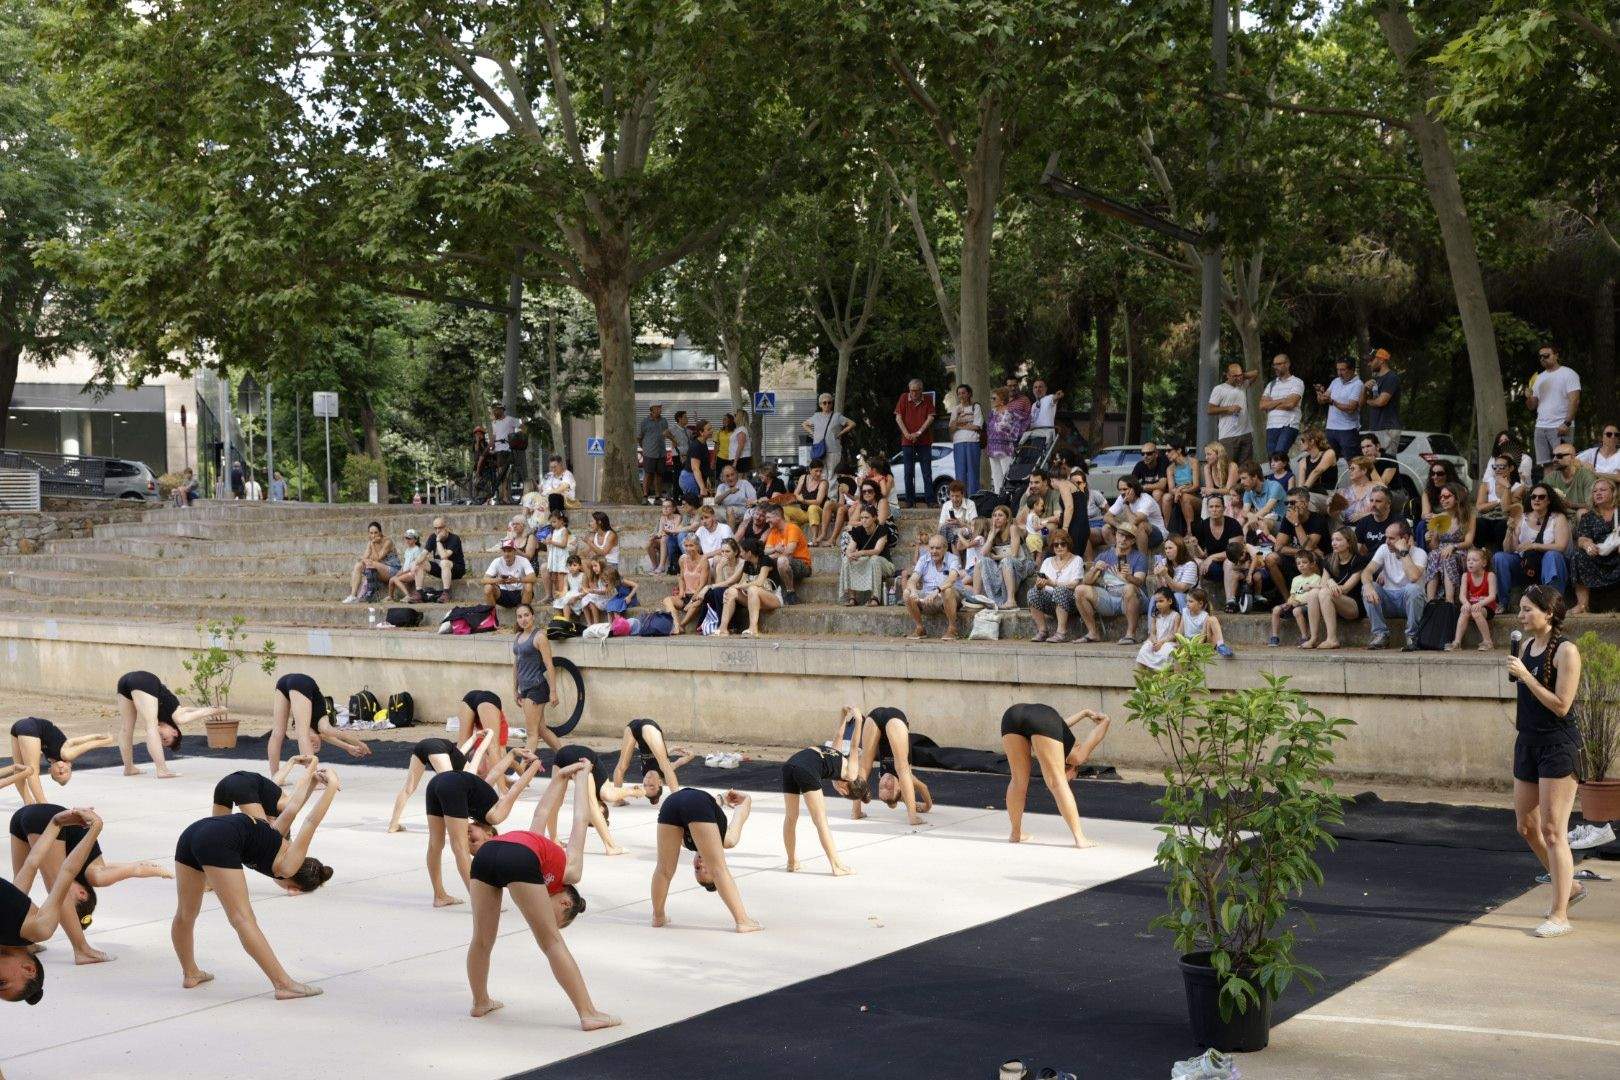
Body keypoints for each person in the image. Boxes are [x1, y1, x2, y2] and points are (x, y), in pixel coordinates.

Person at [464, 761, 619, 1029]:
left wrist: (559, 778)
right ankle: (588, 1013)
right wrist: (581, 779)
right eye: (559, 918)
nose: (551, 918)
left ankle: (480, 1002)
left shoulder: (539, 855)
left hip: (487, 854)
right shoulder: (571, 872)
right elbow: (580, 819)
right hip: (515, 855)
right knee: (551, 941)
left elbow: (542, 812)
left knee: (481, 939)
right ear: (566, 902)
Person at [171, 764, 339, 998]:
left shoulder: (274, 836)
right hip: (217, 838)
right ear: (294, 887)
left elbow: (293, 808)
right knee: (242, 918)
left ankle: (191, 973)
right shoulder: (288, 865)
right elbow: (310, 821)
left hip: (194, 832)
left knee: (185, 914)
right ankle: (283, 984)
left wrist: (312, 781)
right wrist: (331, 786)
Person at [1505, 586, 1583, 938]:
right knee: (1526, 826)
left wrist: (1526, 675)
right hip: (1529, 743)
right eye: (1520, 609)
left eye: (1527, 610)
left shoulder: (1566, 651)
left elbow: (1562, 705)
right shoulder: (1525, 647)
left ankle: (1559, 914)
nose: (1521, 616)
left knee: (1553, 830)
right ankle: (1571, 886)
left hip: (1557, 746)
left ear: (1548, 613)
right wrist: (1522, 672)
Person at [9, 802, 169, 965]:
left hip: (24, 817)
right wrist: (163, 872)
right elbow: (135, 869)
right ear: (83, 894)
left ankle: (17, 942)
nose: (54, 907)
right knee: (57, 887)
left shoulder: (88, 868)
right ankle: (82, 950)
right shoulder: (96, 876)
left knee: (21, 882)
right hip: (46, 818)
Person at [0, 807, 103, 1005]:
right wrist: (92, 829)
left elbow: (31, 864)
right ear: (29, 969)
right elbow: (64, 872)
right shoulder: (40, 928)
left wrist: (56, 823)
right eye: (1, 982)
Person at [423, 751, 544, 907]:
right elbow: (516, 788)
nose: (468, 836)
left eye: (469, 841)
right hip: (450, 783)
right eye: (474, 840)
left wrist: (512, 754)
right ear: (489, 835)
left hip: (437, 783)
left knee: (436, 843)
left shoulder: (477, 806)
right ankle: (480, 902)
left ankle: (439, 896)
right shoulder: (496, 816)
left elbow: (492, 776)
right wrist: (535, 764)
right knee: (459, 846)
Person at [999, 703, 1110, 848]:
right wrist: (1106, 722)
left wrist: (1083, 713)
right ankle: (1080, 838)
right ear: (1073, 769)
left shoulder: (1056, 737)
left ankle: (1016, 833)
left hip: (1013, 715)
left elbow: (1054, 725)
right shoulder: (1076, 757)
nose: (1070, 780)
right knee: (1058, 783)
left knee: (1017, 780)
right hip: (1043, 718)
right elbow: (1094, 737)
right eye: (1072, 778)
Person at [651, 788, 759, 933]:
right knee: (719, 870)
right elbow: (739, 815)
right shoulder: (727, 840)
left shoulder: (685, 843)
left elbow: (693, 807)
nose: (701, 865)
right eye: (707, 871)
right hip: (690, 801)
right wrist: (746, 800)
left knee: (664, 869)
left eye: (697, 869)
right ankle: (743, 920)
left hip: (671, 803)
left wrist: (721, 799)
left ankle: (658, 916)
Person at [780, 710, 870, 875]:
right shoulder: (851, 774)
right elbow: (854, 745)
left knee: (791, 817)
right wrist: (858, 720)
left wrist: (844, 716)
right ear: (844, 789)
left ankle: (792, 862)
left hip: (790, 764)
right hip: (806, 769)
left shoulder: (836, 755)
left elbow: (839, 736)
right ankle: (836, 866)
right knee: (821, 820)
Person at [113, 670, 223, 780]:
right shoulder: (175, 716)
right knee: (151, 725)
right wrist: (214, 710)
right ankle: (162, 770)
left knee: (126, 728)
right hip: (144, 680)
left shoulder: (167, 716)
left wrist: (201, 709)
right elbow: (184, 717)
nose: (161, 739)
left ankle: (129, 768)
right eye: (166, 739)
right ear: (175, 732)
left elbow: (187, 709)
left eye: (161, 741)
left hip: (125, 681)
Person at [385, 731, 496, 833]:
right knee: (450, 791)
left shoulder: (458, 764)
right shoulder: (471, 773)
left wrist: (475, 736)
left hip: (423, 746)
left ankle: (393, 824)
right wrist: (490, 735)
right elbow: (479, 752)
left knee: (408, 789)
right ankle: (457, 825)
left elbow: (461, 751)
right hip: (437, 748)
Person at [850, 707, 934, 826]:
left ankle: (855, 811)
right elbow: (923, 788)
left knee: (864, 766)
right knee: (903, 769)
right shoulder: (908, 780)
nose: (885, 783)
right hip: (894, 720)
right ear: (900, 788)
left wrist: (857, 810)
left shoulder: (882, 774)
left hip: (875, 717)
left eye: (881, 788)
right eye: (889, 788)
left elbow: (862, 772)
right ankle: (912, 817)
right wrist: (927, 806)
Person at [268, 673, 372, 768]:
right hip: (302, 682)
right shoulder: (321, 725)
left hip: (284, 682)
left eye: (310, 745)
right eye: (315, 745)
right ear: (320, 738)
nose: (312, 743)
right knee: (302, 735)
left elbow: (315, 737)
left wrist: (349, 746)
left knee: (278, 733)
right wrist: (355, 744)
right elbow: (332, 733)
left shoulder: (299, 725)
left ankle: (275, 776)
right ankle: (313, 777)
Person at [1494, 483, 1571, 606]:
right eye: (1533, 496)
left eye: (1541, 497)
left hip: (1548, 565)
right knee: (1499, 557)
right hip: (1526, 564)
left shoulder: (1558, 517)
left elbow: (1561, 546)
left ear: (1549, 500)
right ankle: (1503, 603)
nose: (1536, 499)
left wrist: (1534, 545)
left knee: (1553, 555)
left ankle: (1553, 604)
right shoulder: (1522, 517)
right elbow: (1509, 549)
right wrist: (1509, 530)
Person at [6, 718, 113, 804]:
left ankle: (27, 800)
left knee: (19, 769)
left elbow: (73, 741)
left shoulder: (52, 757)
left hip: (18, 727)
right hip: (30, 727)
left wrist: (96, 736)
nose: (61, 770)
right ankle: (43, 804)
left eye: (59, 774)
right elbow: (87, 746)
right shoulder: (68, 755)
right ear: (70, 765)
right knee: (32, 771)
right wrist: (105, 740)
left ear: (50, 770)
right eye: (65, 772)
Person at [1360, 520, 1428, 652]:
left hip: (1410, 602)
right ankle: (1381, 635)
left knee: (1413, 589)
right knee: (1368, 586)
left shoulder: (1420, 553)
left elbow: (1413, 577)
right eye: (1386, 537)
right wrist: (1368, 586)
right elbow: (1367, 572)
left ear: (1405, 538)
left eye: (1391, 538)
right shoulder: (1383, 549)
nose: (1387, 541)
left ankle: (1412, 637)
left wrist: (1403, 552)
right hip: (1389, 600)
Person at [506, 603, 565, 753]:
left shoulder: (539, 637)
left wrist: (553, 692)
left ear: (532, 616)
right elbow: (516, 665)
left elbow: (549, 665)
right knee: (541, 729)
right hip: (525, 688)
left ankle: (524, 765)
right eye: (520, 616)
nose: (523, 619)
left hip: (537, 687)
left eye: (526, 615)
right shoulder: (518, 637)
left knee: (532, 733)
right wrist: (515, 689)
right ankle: (564, 757)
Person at [1076, 530, 1148, 645]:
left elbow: (1139, 582)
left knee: (1129, 588)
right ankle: (1093, 633)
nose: (1123, 539)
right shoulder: (1104, 556)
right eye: (1121, 535)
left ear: (1133, 541)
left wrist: (1128, 577)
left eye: (1128, 537)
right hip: (1109, 597)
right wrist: (1095, 569)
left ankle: (1130, 635)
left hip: (1133, 599)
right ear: (1116, 536)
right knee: (1080, 590)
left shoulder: (1139, 557)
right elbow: (1086, 581)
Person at [1301, 527, 1367, 651]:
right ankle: (1313, 638)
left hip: (1353, 606)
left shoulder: (1359, 560)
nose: (1334, 543)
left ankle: (1332, 639)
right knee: (1313, 593)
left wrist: (1329, 583)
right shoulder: (1329, 560)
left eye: (1338, 540)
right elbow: (1323, 585)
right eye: (1332, 540)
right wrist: (1329, 581)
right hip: (1334, 604)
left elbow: (1346, 589)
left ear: (1349, 543)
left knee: (1325, 593)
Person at [1262, 491, 1332, 599]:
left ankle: (1314, 598)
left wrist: (1296, 523)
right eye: (1287, 503)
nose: (1289, 506)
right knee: (1270, 558)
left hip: (1321, 561)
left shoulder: (1318, 519)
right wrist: (1300, 551)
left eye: (1292, 502)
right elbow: (1278, 547)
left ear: (1305, 503)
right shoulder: (1288, 519)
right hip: (1298, 556)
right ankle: (1288, 599)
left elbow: (1308, 547)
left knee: (1310, 556)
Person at [610, 718, 694, 803]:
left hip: (633, 729)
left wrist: (672, 749)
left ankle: (618, 800)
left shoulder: (644, 771)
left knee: (622, 766)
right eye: (651, 785)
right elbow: (679, 762)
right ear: (660, 783)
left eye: (645, 785)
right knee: (665, 766)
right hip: (649, 728)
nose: (647, 781)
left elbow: (657, 754)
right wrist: (691, 756)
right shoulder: (664, 772)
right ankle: (678, 801)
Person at [1570, 475, 1620, 614]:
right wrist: (1588, 545)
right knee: (1578, 555)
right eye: (1595, 491)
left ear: (1613, 492)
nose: (1598, 493)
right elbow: (1582, 539)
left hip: (1617, 554)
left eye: (1602, 490)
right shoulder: (1588, 517)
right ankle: (1582, 605)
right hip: (1598, 554)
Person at [1526, 344, 1581, 467]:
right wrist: (1528, 397)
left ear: (1556, 356)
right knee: (1546, 466)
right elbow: (1532, 406)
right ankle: (1548, 482)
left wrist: (1567, 423)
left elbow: (1575, 400)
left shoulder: (1568, 373)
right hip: (1540, 426)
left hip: (1560, 426)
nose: (1543, 359)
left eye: (1546, 355)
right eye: (1540, 357)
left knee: (1563, 465)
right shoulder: (1538, 378)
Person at [715, 538, 784, 636]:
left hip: (773, 599)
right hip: (753, 599)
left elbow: (759, 582)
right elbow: (742, 582)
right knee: (731, 592)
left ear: (749, 553)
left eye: (742, 551)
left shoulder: (765, 560)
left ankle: (753, 628)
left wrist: (740, 585)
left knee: (753, 589)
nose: (740, 554)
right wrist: (733, 588)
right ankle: (723, 629)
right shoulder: (747, 563)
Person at [1421, 482, 1475, 602]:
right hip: (1441, 551)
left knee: (1447, 557)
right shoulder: (1438, 517)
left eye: (1446, 496)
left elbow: (1468, 541)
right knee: (1433, 554)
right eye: (1441, 497)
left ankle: (1450, 601)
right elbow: (1434, 546)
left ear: (1457, 498)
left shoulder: (1468, 516)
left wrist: (1453, 547)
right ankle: (1430, 601)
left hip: (1461, 550)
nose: (1442, 500)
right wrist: (1430, 536)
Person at [1027, 528, 1084, 643]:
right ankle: (1042, 631)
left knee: (1060, 591)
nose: (1059, 547)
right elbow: (1040, 582)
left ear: (1068, 544)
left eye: (1063, 544)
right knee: (1032, 592)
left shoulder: (1077, 560)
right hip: (1051, 602)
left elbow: (1074, 584)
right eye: (1056, 545)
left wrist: (1053, 583)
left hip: (1071, 602)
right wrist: (1039, 585)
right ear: (1052, 547)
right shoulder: (1047, 561)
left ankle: (1061, 633)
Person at [972, 504, 1031, 610]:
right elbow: (984, 553)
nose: (996, 518)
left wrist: (996, 557)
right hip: (1003, 564)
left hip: (1021, 563)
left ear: (1007, 519)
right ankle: (976, 598)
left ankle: (1011, 600)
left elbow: (1014, 554)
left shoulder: (1013, 528)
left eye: (1000, 515)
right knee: (981, 562)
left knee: (1006, 561)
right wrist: (992, 535)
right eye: (994, 515)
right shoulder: (993, 532)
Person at [905, 533, 962, 640]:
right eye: (931, 548)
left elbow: (952, 579)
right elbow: (912, 580)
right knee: (907, 593)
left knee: (947, 590)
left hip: (948, 596)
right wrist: (913, 591)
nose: (934, 551)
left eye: (938, 548)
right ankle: (920, 628)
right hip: (928, 597)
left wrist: (936, 591)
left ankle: (952, 629)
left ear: (945, 548)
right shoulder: (923, 559)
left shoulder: (953, 558)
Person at [211, 759, 311, 818]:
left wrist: (292, 761)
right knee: (263, 836)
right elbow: (301, 786)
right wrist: (313, 764)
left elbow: (276, 780)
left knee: (218, 828)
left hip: (225, 782)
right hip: (242, 784)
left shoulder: (271, 793)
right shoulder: (285, 805)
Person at [839, 506, 897, 606]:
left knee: (874, 559)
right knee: (846, 560)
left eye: (866, 517)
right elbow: (850, 548)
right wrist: (849, 554)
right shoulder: (858, 530)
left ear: (874, 518)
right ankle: (852, 598)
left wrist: (861, 553)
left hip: (885, 565)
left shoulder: (882, 529)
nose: (863, 520)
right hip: (867, 562)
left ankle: (875, 598)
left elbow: (877, 551)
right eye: (861, 518)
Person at [893, 378, 937, 508]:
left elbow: (930, 418)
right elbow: (898, 417)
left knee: (927, 471)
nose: (913, 393)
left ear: (921, 390)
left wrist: (919, 432)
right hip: (907, 441)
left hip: (924, 440)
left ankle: (930, 500)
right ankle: (909, 501)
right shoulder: (903, 398)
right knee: (908, 472)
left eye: (916, 391)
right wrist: (906, 433)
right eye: (911, 390)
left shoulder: (927, 399)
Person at [1268, 549, 1322, 648]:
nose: (1301, 565)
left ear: (1312, 564)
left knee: (1296, 611)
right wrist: (1289, 602)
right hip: (1294, 604)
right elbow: (1293, 595)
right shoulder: (1296, 579)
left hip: (1307, 606)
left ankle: (1304, 637)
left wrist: (1299, 602)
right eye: (1298, 563)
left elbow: (1315, 596)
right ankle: (1274, 637)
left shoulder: (1316, 578)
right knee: (1276, 609)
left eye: (1304, 562)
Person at [1315, 358, 1365, 463]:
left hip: (1348, 430)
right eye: (1337, 369)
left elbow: (1351, 408)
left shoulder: (1358, 384)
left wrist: (1332, 402)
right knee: (1328, 462)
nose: (1339, 373)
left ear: (1352, 370)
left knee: (1354, 462)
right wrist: (1320, 394)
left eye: (1343, 370)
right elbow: (1322, 401)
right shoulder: (1336, 381)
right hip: (1330, 428)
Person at [1192, 494, 1243, 595]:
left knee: (1228, 563)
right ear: (1207, 509)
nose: (1214, 509)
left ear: (1224, 508)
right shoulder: (1202, 525)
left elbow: (1235, 552)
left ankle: (1230, 599)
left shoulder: (1233, 524)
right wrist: (1195, 545)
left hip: (1232, 563)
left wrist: (1212, 557)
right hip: (1213, 566)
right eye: (1211, 507)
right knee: (1195, 561)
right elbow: (1201, 555)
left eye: (1217, 506)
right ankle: (1197, 594)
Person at [1207, 362, 1256, 465]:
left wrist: (1241, 376)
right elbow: (1210, 410)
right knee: (1229, 467)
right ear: (1228, 375)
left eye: (1240, 375)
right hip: (1228, 435)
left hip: (1245, 433)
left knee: (1246, 468)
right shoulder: (1219, 389)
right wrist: (1228, 409)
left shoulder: (1242, 385)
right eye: (1235, 376)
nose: (1238, 378)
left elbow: (1255, 373)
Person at [762, 503, 812, 606]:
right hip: (784, 563)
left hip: (803, 564)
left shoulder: (792, 528)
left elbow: (789, 551)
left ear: (778, 516)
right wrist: (775, 549)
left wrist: (774, 555)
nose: (766, 521)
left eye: (768, 517)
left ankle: (790, 592)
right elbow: (766, 551)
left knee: (781, 560)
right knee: (767, 561)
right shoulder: (774, 531)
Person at [1449, 548, 1499, 651]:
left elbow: (1492, 596)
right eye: (1468, 560)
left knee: (1476, 611)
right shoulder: (1465, 576)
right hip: (1471, 606)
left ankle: (1488, 642)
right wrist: (1466, 603)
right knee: (1464, 611)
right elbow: (1462, 595)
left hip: (1486, 607)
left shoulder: (1490, 575)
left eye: (1474, 560)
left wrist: (1480, 604)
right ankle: (1457, 642)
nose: (1470, 562)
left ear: (1484, 563)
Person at [1106, 475, 1166, 555]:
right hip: (1135, 534)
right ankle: (1119, 556)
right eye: (1120, 490)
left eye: (1125, 489)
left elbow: (1133, 521)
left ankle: (1141, 559)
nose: (1122, 492)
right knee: (1106, 529)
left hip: (1156, 535)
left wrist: (1126, 504)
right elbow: (1107, 516)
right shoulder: (1121, 497)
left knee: (1141, 525)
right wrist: (1118, 526)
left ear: (1133, 488)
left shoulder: (1146, 499)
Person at [1476, 452, 1524, 550]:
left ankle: (1499, 553)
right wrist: (1498, 501)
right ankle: (1480, 552)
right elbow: (1480, 507)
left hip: (1505, 520)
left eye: (1502, 467)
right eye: (1495, 467)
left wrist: (1507, 486)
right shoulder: (1486, 484)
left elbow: (1505, 508)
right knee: (1479, 522)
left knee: (1502, 524)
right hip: (1487, 519)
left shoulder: (1519, 487)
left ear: (1511, 468)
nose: (1497, 470)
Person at [342, 520, 399, 603]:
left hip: (393, 571)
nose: (373, 535)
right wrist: (365, 560)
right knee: (358, 565)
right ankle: (353, 595)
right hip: (380, 570)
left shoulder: (387, 542)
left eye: (376, 533)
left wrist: (372, 544)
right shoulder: (371, 542)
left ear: (380, 532)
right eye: (371, 533)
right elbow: (363, 558)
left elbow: (377, 558)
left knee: (372, 563)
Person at [1260, 353, 1304, 455]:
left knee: (1279, 455)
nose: (1276, 367)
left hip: (1288, 425)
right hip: (1271, 426)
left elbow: (1291, 404)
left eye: (1279, 364)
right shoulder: (1271, 385)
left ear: (1287, 364)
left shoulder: (1297, 382)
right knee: (1273, 459)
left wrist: (1271, 404)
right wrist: (1282, 400)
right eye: (1274, 365)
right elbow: (1262, 406)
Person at [805, 393, 855, 479]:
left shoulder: (837, 416)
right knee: (821, 473)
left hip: (834, 449)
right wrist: (813, 434)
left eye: (829, 402)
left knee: (832, 474)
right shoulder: (816, 416)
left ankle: (831, 489)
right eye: (824, 403)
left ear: (832, 404)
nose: (827, 405)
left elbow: (852, 424)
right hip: (819, 450)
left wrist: (840, 433)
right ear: (820, 405)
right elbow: (804, 424)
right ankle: (823, 488)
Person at [986, 387, 1027, 494]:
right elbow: (989, 429)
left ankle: (1009, 496)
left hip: (1005, 448)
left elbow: (1013, 430)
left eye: (994, 398)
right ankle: (998, 497)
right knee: (996, 476)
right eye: (991, 398)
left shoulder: (1010, 412)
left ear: (1002, 399)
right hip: (992, 447)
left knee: (1007, 474)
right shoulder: (992, 413)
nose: (992, 400)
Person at [416, 517, 467, 598]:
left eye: (440, 528)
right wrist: (416, 563)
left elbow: (444, 556)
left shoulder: (454, 538)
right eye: (435, 528)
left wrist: (438, 541)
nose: (437, 531)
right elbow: (423, 554)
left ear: (445, 527)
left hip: (456, 570)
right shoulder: (432, 537)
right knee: (420, 563)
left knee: (444, 562)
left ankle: (446, 593)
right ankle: (419, 593)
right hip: (441, 569)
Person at [947, 384, 984, 495]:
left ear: (969, 394)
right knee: (960, 473)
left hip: (973, 441)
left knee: (973, 472)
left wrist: (960, 425)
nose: (961, 396)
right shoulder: (956, 409)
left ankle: (973, 498)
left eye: (963, 393)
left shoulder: (976, 407)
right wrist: (959, 419)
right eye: (959, 394)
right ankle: (960, 498)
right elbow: (951, 428)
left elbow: (977, 426)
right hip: (958, 442)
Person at [1135, 587, 1184, 670]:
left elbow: (1175, 634)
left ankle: (1163, 671)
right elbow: (1153, 633)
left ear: (1170, 601)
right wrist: (1155, 642)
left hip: (1168, 642)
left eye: (1161, 601)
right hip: (1156, 641)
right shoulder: (1155, 616)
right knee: (1144, 649)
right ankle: (1139, 676)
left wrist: (1161, 642)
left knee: (1167, 650)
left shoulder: (1176, 616)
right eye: (1156, 602)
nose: (1158, 604)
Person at [1362, 347, 1401, 448]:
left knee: (1387, 457)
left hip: (1388, 427)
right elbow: (1361, 402)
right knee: (1376, 457)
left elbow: (1381, 402)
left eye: (1371, 360)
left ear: (1381, 360)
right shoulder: (1375, 379)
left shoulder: (1391, 377)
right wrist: (1364, 388)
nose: (1369, 364)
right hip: (1375, 426)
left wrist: (1368, 401)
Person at [1179, 587, 1234, 658]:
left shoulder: (1205, 616)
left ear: (1200, 604)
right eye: (1187, 601)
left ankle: (1221, 645)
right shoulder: (1185, 612)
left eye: (1190, 601)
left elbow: (1203, 636)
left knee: (1213, 619)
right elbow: (1180, 631)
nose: (1187, 604)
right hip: (1187, 644)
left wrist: (1194, 649)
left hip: (1200, 645)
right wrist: (1179, 645)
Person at [1236, 461, 1286, 533]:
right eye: (1241, 479)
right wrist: (1250, 515)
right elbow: (1244, 511)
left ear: (1254, 477)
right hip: (1263, 520)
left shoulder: (1274, 486)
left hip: (1283, 525)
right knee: (1241, 521)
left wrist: (1247, 525)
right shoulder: (1248, 491)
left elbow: (1267, 509)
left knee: (1261, 522)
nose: (1241, 482)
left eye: (1244, 478)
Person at [1544, 443, 1595, 512]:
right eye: (1553, 456)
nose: (1554, 459)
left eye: (1559, 456)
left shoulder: (1586, 476)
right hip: (1558, 515)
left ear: (1572, 458)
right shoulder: (1550, 478)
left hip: (1579, 515)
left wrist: (1571, 505)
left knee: (1582, 512)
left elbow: (1592, 504)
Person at [1353, 485, 1401, 556]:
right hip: (1370, 560)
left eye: (1378, 501)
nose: (1373, 505)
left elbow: (1409, 545)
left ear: (1388, 503)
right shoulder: (1363, 522)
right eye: (1371, 500)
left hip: (1392, 559)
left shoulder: (1399, 521)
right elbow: (1357, 549)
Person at [786, 461, 829, 542]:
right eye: (816, 471)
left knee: (812, 507)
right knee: (784, 510)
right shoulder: (803, 478)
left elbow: (818, 501)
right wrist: (795, 498)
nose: (819, 473)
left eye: (820, 471)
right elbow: (795, 494)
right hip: (804, 512)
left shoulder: (823, 483)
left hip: (819, 512)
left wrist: (804, 500)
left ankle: (814, 539)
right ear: (810, 470)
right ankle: (790, 535)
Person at [638, 403, 671, 500]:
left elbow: (666, 434)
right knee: (648, 474)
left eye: (660, 408)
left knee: (659, 474)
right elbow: (640, 437)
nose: (660, 410)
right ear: (652, 409)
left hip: (661, 452)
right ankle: (645, 495)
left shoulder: (664, 421)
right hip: (649, 452)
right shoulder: (645, 422)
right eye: (657, 408)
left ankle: (657, 496)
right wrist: (645, 447)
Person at [488, 402, 519, 504]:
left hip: (506, 449)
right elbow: (493, 436)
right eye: (494, 410)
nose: (494, 412)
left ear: (502, 410)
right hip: (497, 450)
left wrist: (519, 436)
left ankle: (504, 496)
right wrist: (490, 447)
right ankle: (501, 496)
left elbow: (522, 426)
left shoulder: (510, 419)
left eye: (496, 410)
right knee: (500, 474)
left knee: (503, 474)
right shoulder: (494, 423)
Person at [387, 529, 427, 601]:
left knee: (396, 579)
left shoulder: (416, 550)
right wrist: (399, 573)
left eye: (409, 538)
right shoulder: (407, 550)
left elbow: (414, 566)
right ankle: (391, 597)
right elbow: (404, 565)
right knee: (391, 579)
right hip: (406, 572)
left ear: (415, 540)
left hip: (412, 573)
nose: (407, 540)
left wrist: (402, 573)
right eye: (406, 538)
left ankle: (408, 595)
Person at [679, 419, 715, 500]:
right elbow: (695, 468)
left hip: (695, 478)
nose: (712, 431)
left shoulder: (703, 442)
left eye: (711, 428)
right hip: (690, 478)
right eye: (709, 429)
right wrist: (702, 487)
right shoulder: (696, 446)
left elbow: (703, 465)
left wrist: (706, 480)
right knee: (695, 504)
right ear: (701, 432)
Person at [1199, 442, 1238, 515]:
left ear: (1218, 454)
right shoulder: (1207, 467)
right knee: (1206, 499)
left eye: (1209, 454)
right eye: (1205, 455)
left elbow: (1228, 490)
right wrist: (1206, 491)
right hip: (1217, 496)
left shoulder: (1232, 466)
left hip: (1232, 497)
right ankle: (1206, 521)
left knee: (1226, 498)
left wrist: (1212, 490)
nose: (1206, 457)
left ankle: (1227, 521)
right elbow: (1209, 490)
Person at [713, 464, 756, 529]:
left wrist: (750, 503)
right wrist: (729, 492)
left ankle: (730, 535)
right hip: (724, 511)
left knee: (730, 510)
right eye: (727, 476)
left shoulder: (744, 483)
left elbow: (754, 500)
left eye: (732, 474)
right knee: (706, 510)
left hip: (742, 510)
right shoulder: (721, 486)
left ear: (736, 474)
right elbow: (716, 501)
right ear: (723, 478)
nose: (730, 478)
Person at [1339, 456, 1378, 524]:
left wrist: (1366, 515)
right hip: (1348, 527)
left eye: (1353, 469)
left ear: (1364, 471)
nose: (1349, 471)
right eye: (1350, 469)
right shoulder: (1345, 492)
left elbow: (1384, 510)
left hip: (1370, 526)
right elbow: (1338, 515)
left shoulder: (1376, 489)